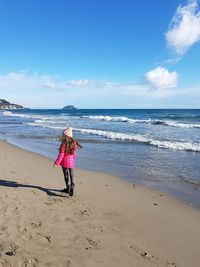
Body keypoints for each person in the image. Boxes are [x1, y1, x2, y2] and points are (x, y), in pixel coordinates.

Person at [53, 127, 82, 196]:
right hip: (71, 161)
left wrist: (56, 163)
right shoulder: (74, 143)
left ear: (66, 136)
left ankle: (67, 188)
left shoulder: (63, 144)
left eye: (63, 135)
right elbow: (74, 153)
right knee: (71, 174)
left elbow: (61, 155)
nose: (62, 136)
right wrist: (73, 159)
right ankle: (72, 184)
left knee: (66, 175)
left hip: (64, 162)